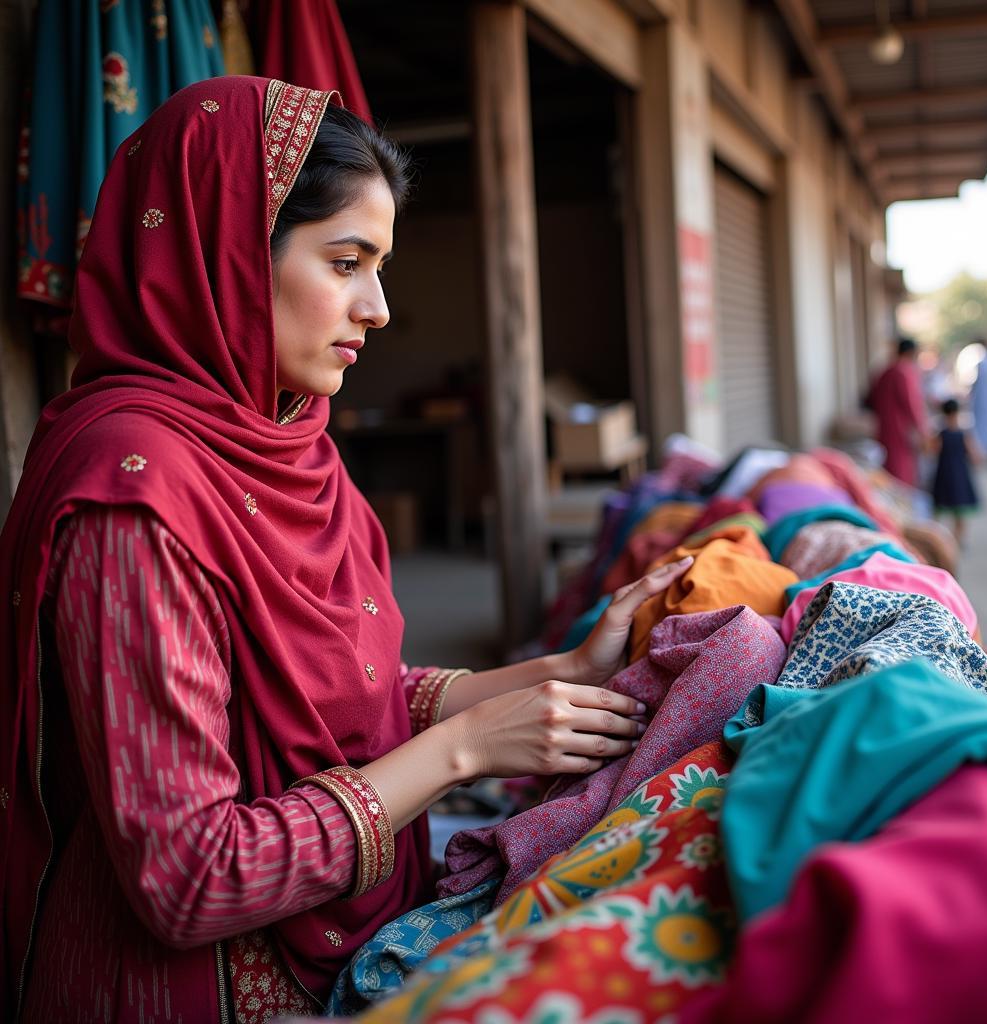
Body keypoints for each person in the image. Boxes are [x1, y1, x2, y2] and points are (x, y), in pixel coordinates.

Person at [0, 77, 693, 1022]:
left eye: (380, 265)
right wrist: (460, 752)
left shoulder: (294, 448)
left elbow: (347, 698)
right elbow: (188, 879)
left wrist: (561, 670)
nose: (377, 307)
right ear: (227, 253)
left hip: (346, 946)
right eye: (346, 260)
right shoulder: (135, 494)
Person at [867, 336, 932, 487]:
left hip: (884, 426)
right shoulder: (904, 372)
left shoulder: (885, 370)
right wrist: (923, 431)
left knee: (889, 465)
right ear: (911, 352)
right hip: (900, 429)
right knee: (901, 468)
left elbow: (871, 398)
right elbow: (912, 404)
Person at [931, 398, 980, 546]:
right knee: (959, 510)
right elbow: (975, 456)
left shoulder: (941, 434)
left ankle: (940, 539)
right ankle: (957, 540)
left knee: (939, 508)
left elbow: (932, 451)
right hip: (959, 475)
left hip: (944, 475)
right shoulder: (963, 434)